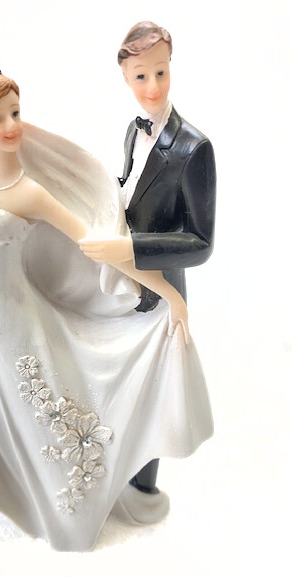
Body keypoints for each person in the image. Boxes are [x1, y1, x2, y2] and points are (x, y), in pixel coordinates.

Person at [0, 58, 213, 551]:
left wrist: (168, 293)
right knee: (3, 409)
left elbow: (94, 245)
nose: (11, 126)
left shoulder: (30, 192)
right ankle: (26, 497)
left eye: (15, 113)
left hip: (23, 326)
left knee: (49, 420)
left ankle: (70, 514)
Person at [80, 22, 216, 514]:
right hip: (119, 287)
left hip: (159, 295)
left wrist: (129, 247)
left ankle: (142, 494)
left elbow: (200, 242)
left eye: (160, 72)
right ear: (125, 77)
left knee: (153, 397)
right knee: (118, 387)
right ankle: (114, 476)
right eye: (141, 76)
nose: (153, 86)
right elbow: (129, 189)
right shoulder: (133, 132)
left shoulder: (194, 149)